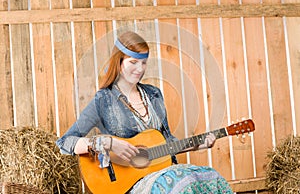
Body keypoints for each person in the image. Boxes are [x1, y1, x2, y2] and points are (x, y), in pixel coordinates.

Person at [56, 31, 233, 193]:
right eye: (133, 62)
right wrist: (107, 143)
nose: (140, 69)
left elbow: (168, 142)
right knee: (180, 183)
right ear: (118, 62)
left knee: (209, 176)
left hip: (164, 172)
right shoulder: (104, 100)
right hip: (132, 184)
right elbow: (64, 143)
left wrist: (200, 144)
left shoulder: (154, 94)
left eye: (143, 63)